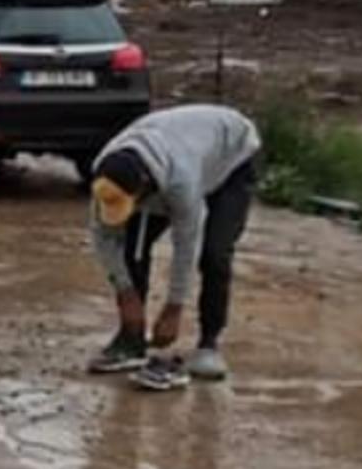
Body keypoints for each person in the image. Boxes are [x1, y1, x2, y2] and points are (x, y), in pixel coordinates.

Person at [86, 104, 262, 390]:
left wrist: (174, 308)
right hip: (176, 150)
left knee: (214, 253)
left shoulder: (182, 180)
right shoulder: (106, 170)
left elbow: (187, 244)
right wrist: (125, 292)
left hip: (232, 156)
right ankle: (131, 339)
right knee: (131, 246)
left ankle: (208, 344)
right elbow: (104, 236)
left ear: (143, 188)